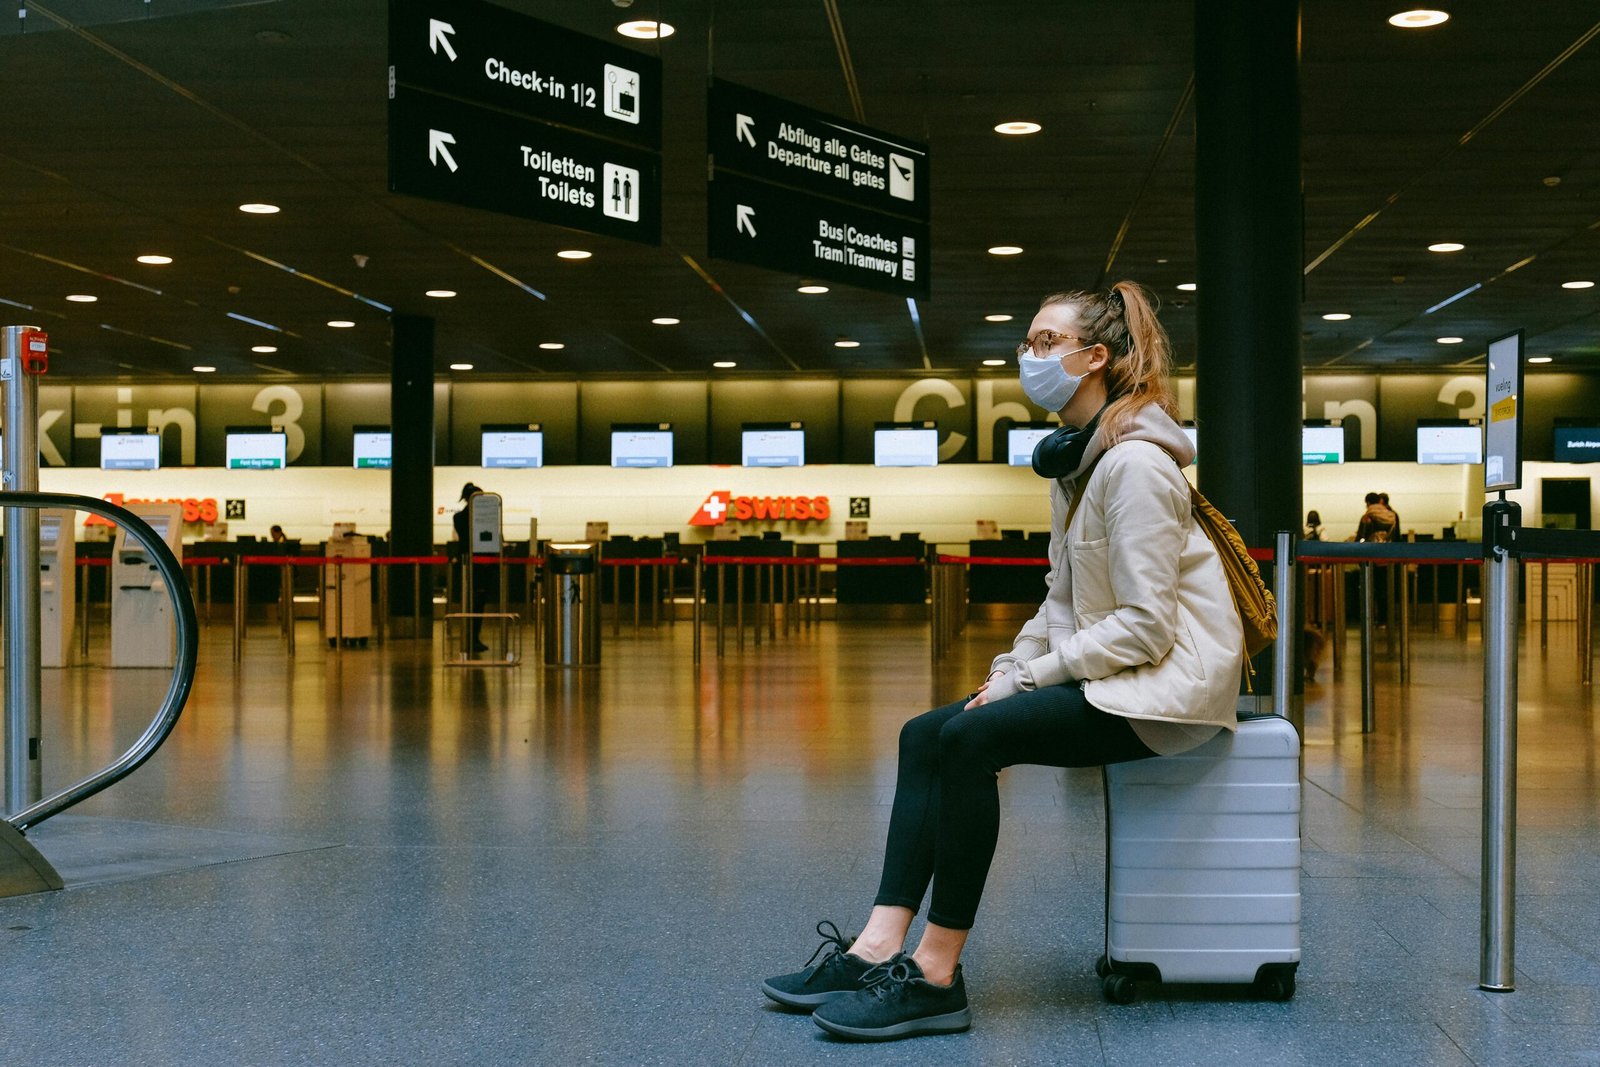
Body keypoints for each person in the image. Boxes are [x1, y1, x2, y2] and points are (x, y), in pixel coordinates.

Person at [760, 281, 1244, 1041]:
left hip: (1163, 694)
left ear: (1096, 359)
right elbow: (1062, 599)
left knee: (971, 739)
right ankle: (876, 945)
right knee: (927, 731)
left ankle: (935, 974)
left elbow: (1148, 628)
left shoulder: (1137, 467)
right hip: (1114, 675)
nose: (1029, 355)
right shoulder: (1081, 466)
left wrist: (1034, 679)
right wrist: (1008, 670)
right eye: (1028, 341)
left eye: (1046, 342)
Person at [453, 483, 493, 652]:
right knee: (476, 602)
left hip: (470, 564)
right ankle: (472, 638)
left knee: (473, 602)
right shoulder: (469, 518)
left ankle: (472, 637)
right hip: (476, 565)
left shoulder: (459, 517)